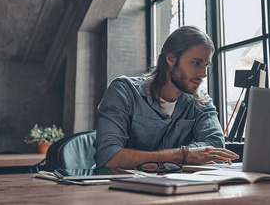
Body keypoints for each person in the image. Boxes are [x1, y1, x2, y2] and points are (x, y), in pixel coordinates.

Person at [93, 25, 239, 169]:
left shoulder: (201, 102)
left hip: (180, 188)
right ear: (170, 59)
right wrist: (183, 155)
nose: (203, 74)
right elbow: (108, 156)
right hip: (122, 188)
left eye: (206, 65)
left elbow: (216, 146)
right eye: (196, 63)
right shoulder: (124, 90)